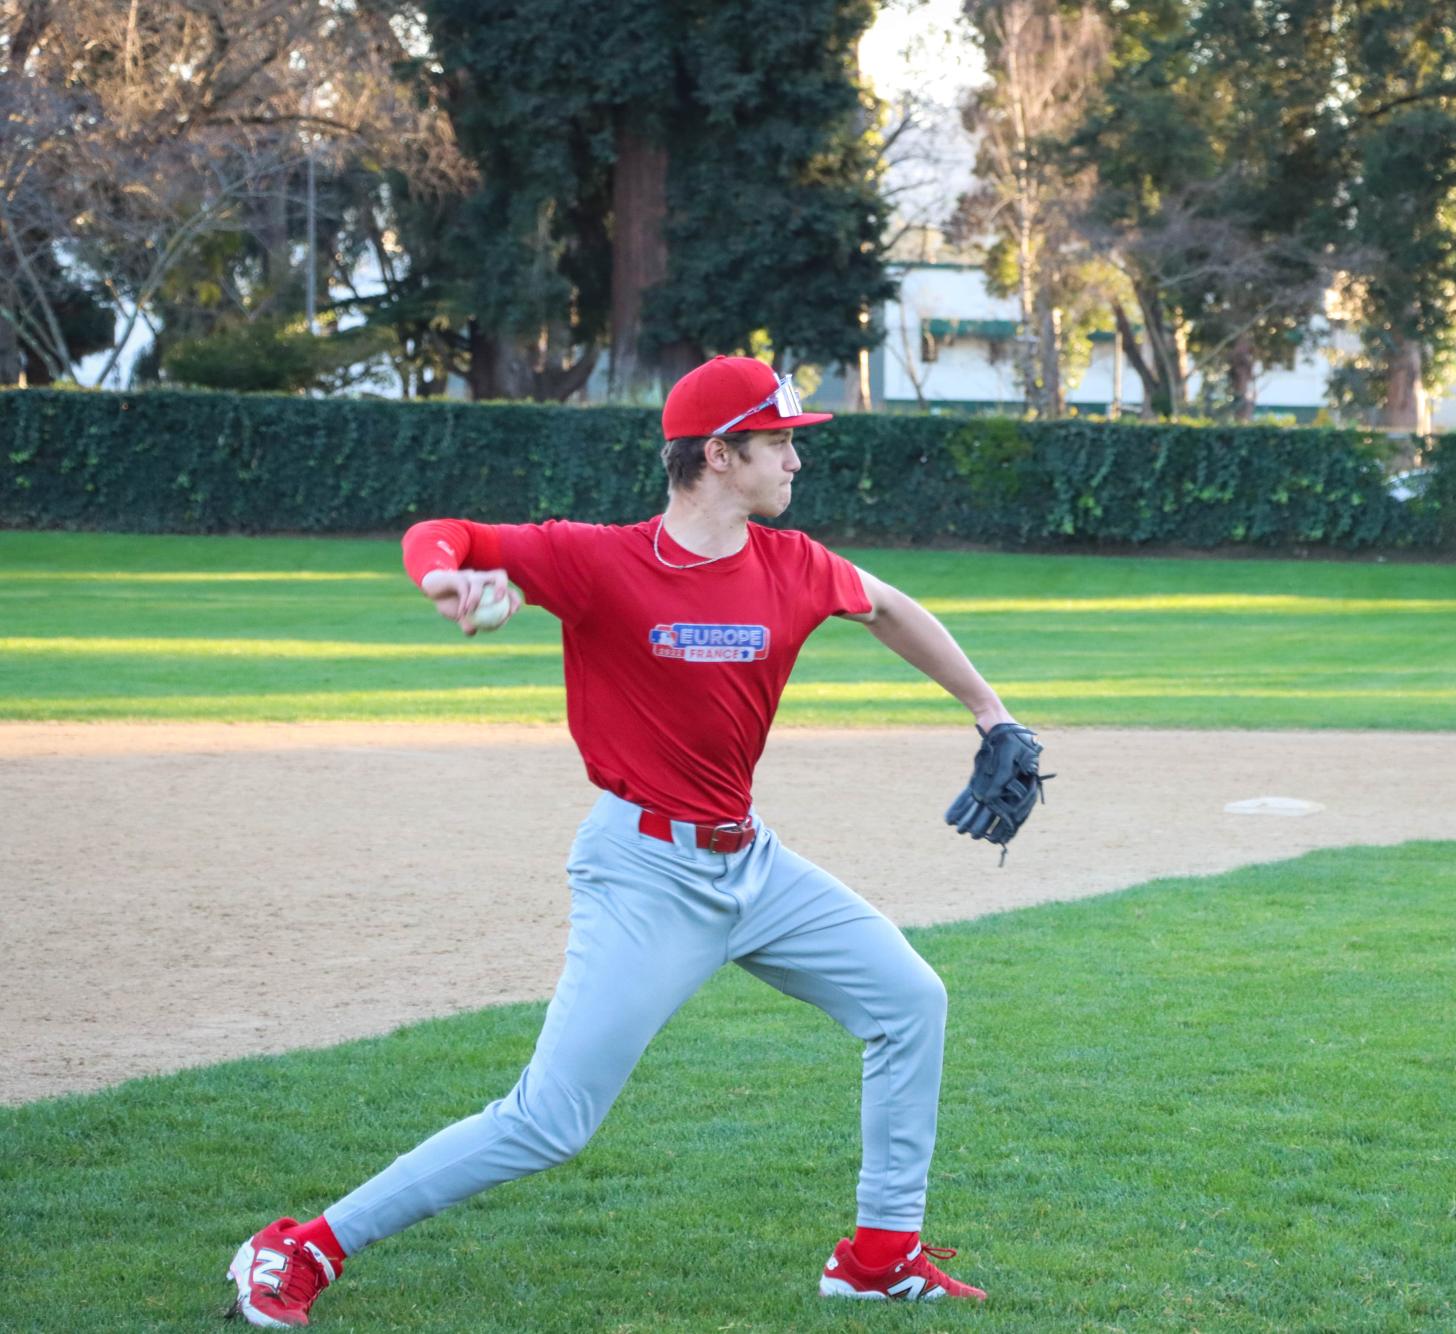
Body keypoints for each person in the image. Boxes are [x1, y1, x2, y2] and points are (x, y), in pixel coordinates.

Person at [223, 356, 1025, 1327]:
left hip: (753, 863)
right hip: (644, 869)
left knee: (910, 1000)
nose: (795, 460)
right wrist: (448, 579)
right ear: (719, 455)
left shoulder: (795, 563)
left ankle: (878, 1254)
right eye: (778, 441)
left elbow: (891, 607)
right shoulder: (598, 559)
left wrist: (991, 714)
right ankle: (299, 1244)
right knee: (550, 1119)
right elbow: (446, 533)